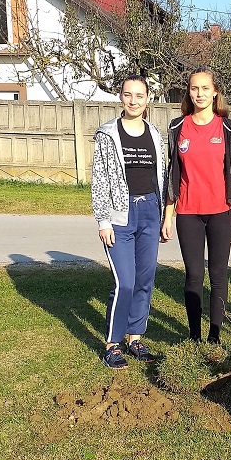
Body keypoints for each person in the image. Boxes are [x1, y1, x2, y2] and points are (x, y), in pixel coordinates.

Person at [162, 67, 231, 343]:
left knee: (217, 274)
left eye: (205, 88)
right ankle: (194, 335)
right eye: (194, 88)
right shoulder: (178, 127)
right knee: (193, 275)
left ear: (215, 92)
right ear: (188, 92)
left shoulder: (227, 128)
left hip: (220, 214)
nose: (199, 94)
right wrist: (168, 217)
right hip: (187, 213)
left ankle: (214, 335)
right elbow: (172, 175)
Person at [91, 75, 166, 369]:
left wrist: (163, 214)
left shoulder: (155, 134)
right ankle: (112, 342)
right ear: (120, 97)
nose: (133, 100)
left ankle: (135, 337)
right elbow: (99, 180)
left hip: (150, 210)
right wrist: (103, 220)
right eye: (128, 95)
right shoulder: (108, 134)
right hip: (119, 216)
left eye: (139, 95)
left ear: (148, 99)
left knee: (145, 279)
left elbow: (161, 175)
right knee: (125, 281)